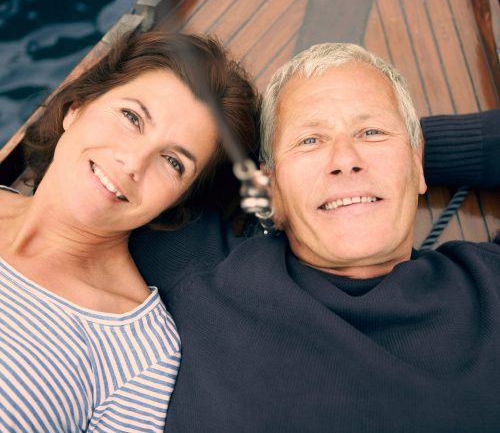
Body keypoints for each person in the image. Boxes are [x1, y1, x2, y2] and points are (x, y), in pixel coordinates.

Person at [130, 41, 500, 432]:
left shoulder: (489, 285)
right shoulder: (198, 271)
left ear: (416, 161)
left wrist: (408, 157)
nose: (345, 159)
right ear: (269, 187)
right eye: (310, 141)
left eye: (372, 131)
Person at [0, 29, 258, 432]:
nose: (134, 162)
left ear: (178, 200)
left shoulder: (139, 354)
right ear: (77, 106)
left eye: (173, 162)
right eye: (132, 117)